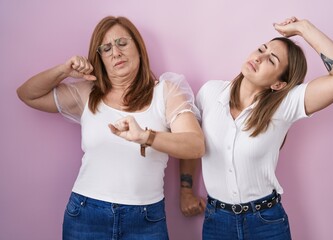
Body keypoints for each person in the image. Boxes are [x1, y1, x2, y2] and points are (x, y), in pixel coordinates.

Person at [17, 16, 205, 240]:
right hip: (86, 214)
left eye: (122, 43)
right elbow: (27, 94)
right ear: (101, 59)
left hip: (146, 219)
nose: (115, 52)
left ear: (138, 46)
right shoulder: (87, 93)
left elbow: (195, 145)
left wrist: (146, 136)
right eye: (106, 49)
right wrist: (63, 70)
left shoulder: (166, 92)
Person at [195, 17, 333, 240]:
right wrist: (186, 188)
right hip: (217, 221)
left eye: (271, 60)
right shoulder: (209, 92)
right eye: (262, 49)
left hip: (265, 223)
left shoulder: (285, 105)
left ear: (278, 84)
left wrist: (303, 28)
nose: (259, 57)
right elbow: (191, 141)